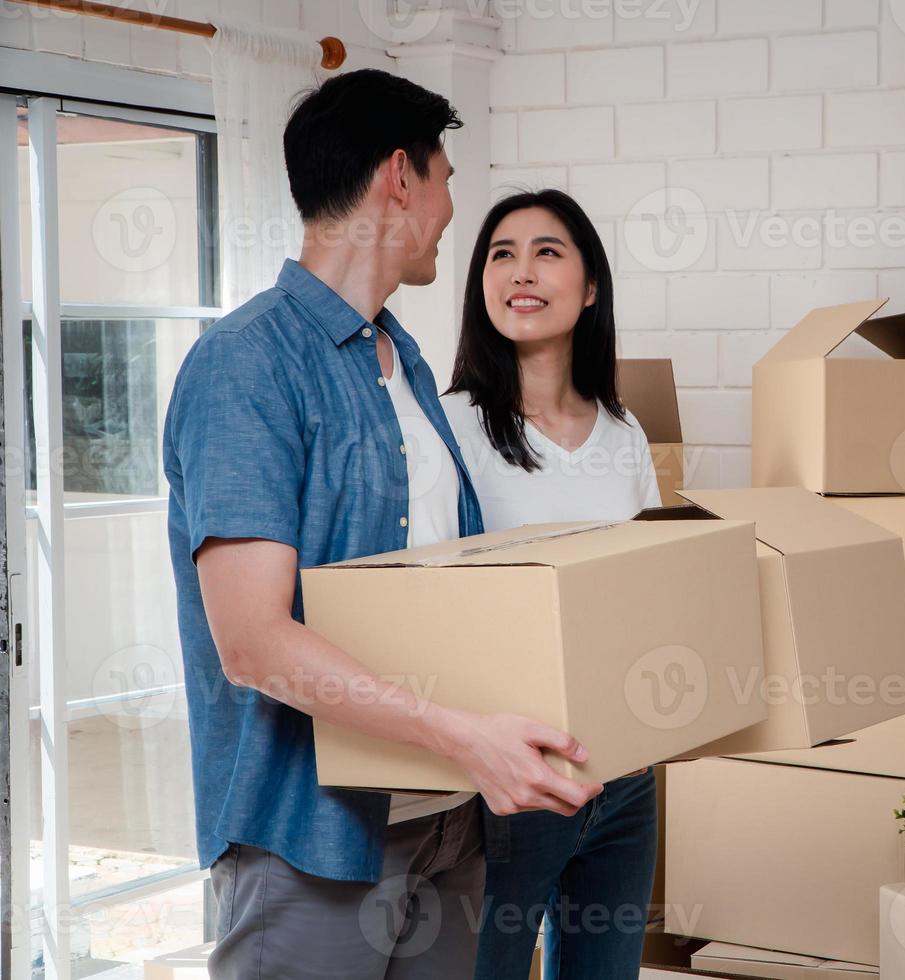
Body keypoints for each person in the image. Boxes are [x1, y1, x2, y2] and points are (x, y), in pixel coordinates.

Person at [163, 71, 601, 979]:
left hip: (445, 824)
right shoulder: (245, 366)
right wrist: (464, 737)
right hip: (313, 839)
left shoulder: (399, 360)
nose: (450, 211)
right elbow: (252, 643)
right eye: (446, 180)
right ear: (400, 177)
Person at [441, 189, 662, 980]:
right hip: (511, 785)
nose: (520, 271)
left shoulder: (623, 430)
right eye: (501, 254)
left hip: (623, 778)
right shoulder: (454, 428)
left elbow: (651, 588)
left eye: (546, 251)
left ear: (591, 285)